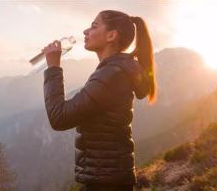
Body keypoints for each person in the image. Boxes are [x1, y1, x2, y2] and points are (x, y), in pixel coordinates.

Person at [42, 10, 157, 191]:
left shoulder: (111, 75)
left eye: (94, 26)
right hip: (108, 177)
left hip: (105, 181)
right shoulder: (115, 71)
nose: (85, 32)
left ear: (112, 35)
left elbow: (59, 117)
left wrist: (53, 68)